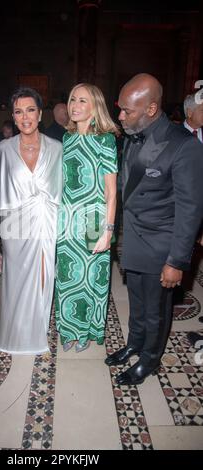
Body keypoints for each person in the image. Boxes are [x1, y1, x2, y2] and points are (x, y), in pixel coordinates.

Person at [105, 73, 203, 386]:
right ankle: (135, 343)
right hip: (134, 239)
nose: (120, 116)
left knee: (156, 310)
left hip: (161, 247)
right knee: (137, 304)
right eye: (119, 109)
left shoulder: (183, 146)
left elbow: (191, 210)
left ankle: (149, 360)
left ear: (150, 109)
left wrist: (176, 261)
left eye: (126, 111)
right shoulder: (134, 133)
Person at [0, 87, 63, 354]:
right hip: (14, 223)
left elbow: (63, 188)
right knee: (15, 280)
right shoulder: (4, 148)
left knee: (44, 279)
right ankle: (13, 333)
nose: (25, 117)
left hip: (46, 220)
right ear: (13, 116)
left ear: (40, 114)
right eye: (19, 112)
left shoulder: (57, 148)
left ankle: (36, 333)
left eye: (30, 110)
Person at [55, 83, 119, 353]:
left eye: (82, 100)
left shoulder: (105, 138)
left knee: (91, 277)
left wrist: (108, 230)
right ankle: (68, 329)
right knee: (67, 277)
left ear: (95, 106)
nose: (75, 105)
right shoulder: (67, 138)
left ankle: (86, 331)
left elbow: (112, 192)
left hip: (94, 218)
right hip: (67, 218)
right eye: (72, 99)